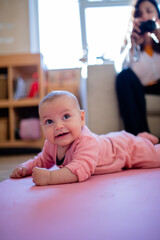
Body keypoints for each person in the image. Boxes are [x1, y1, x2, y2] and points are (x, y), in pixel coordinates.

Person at [10, 90, 160, 186]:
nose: (58, 126)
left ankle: (144, 141)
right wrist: (26, 168)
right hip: (109, 140)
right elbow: (41, 160)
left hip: (125, 149)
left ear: (81, 118)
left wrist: (49, 177)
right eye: (49, 121)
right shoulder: (51, 143)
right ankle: (143, 138)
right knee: (140, 142)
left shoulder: (86, 142)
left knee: (154, 157)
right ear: (42, 126)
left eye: (66, 116)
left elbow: (79, 170)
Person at [116, 0, 160, 136]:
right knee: (124, 76)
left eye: (149, 11)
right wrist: (134, 46)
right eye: (140, 14)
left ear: (157, 16)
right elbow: (127, 72)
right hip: (141, 87)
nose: (145, 17)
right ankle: (141, 139)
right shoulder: (132, 42)